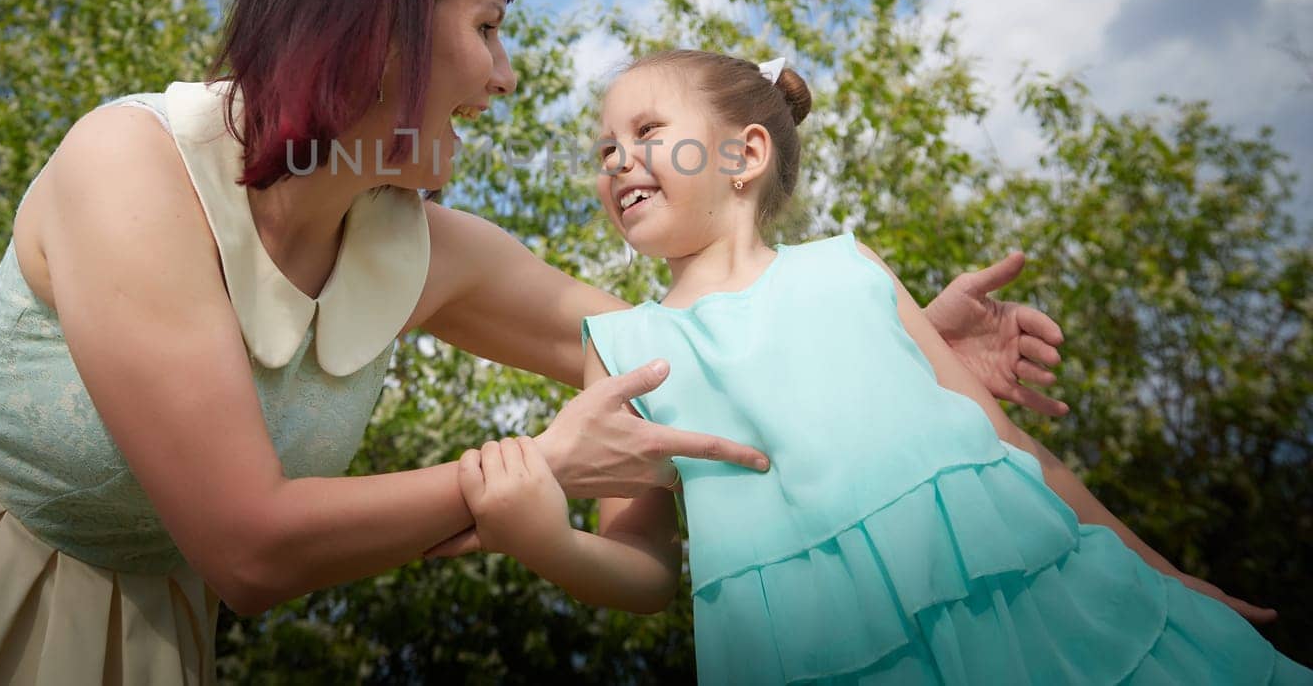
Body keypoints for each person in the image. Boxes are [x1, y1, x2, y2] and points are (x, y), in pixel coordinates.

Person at [0, 0, 1067, 685]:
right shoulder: (134, 164)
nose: (507, 72)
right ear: (374, 22)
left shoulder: (424, 251)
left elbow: (686, 353)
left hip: (113, 623)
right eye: (485, 26)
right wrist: (537, 463)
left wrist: (897, 346)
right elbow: (246, 541)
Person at [450, 48, 1312, 684]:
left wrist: (1164, 573)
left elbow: (1010, 443)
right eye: (605, 148)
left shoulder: (853, 268)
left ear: (745, 154)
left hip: (1045, 631)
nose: (616, 160)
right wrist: (547, 542)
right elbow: (642, 567)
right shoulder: (627, 350)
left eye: (646, 132)